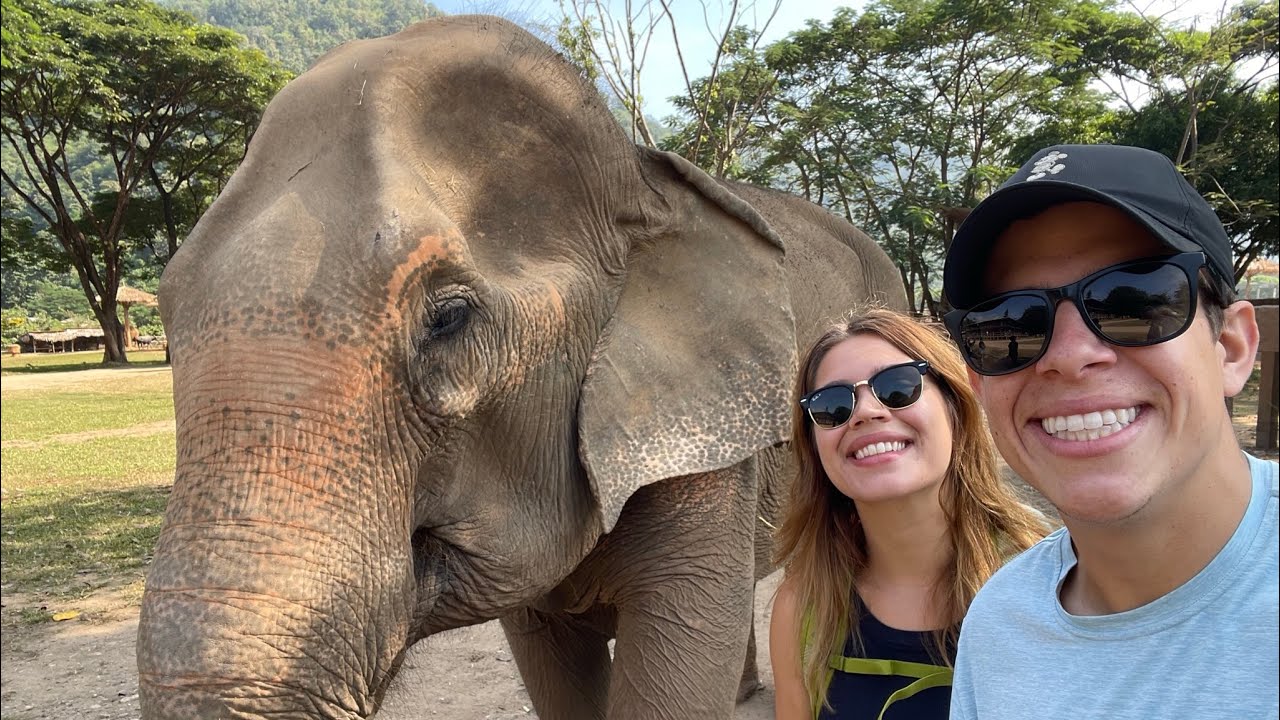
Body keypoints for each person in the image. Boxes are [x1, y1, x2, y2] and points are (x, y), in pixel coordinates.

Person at [941, 144, 1279, 719]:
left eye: (1136, 299)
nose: (1069, 357)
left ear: (1231, 347)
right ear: (978, 380)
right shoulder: (998, 624)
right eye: (1011, 325)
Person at [770, 307, 1049, 720]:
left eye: (898, 386)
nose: (866, 412)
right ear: (815, 447)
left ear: (955, 409)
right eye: (833, 406)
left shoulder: (1049, 583)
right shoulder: (803, 610)